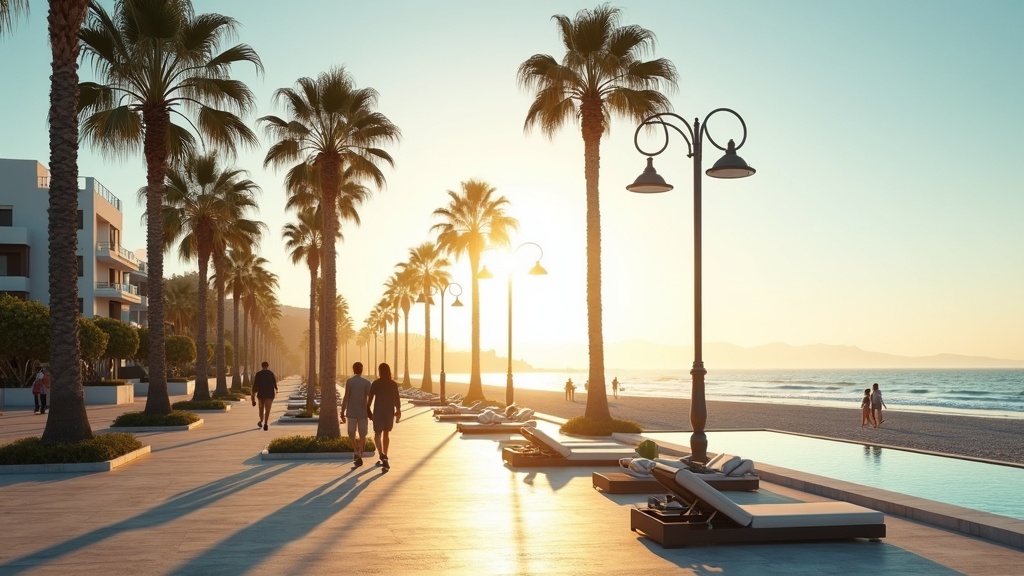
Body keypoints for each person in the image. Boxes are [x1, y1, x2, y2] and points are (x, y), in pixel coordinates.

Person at [366, 363, 401, 473]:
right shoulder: (393, 384)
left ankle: (381, 454)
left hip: (378, 412)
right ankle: (385, 454)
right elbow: (397, 399)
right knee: (386, 433)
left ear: (379, 371)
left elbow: (370, 400)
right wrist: (398, 411)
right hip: (388, 412)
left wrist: (369, 411)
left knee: (377, 433)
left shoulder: (376, 383)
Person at [340, 361, 372, 468]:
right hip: (363, 413)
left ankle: (356, 452)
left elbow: (346, 397)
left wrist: (342, 411)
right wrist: (370, 411)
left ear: (353, 370)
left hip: (352, 412)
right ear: (362, 370)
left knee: (351, 433)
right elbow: (370, 399)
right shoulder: (367, 382)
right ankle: (360, 454)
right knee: (363, 434)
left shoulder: (349, 381)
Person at [251, 361, 278, 431]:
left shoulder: (258, 374)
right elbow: (275, 384)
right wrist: (276, 390)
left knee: (261, 409)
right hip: (270, 394)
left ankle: (261, 421)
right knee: (268, 409)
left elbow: (255, 386)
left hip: (261, 394)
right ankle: (266, 423)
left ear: (262, 366)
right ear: (268, 366)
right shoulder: (271, 373)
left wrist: (253, 398)